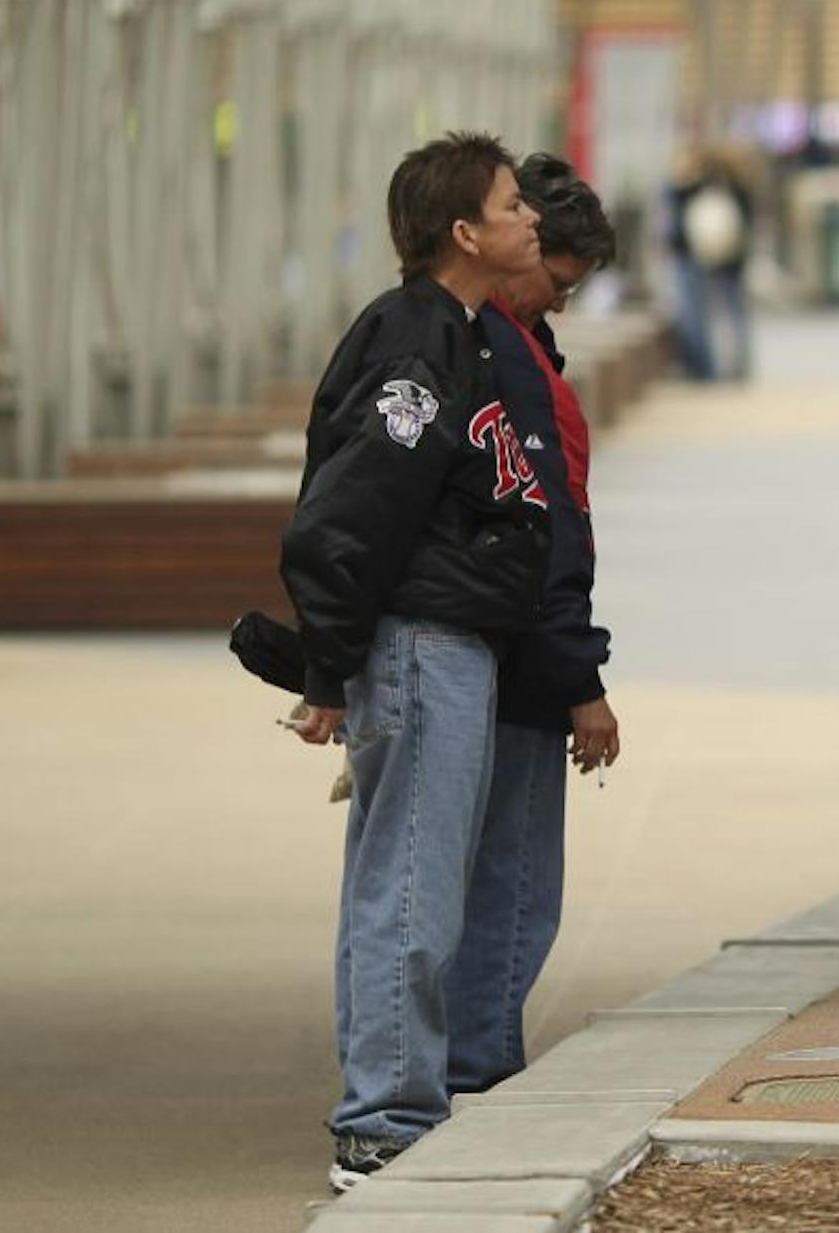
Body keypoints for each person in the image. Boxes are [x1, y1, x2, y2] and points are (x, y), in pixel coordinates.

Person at [279, 132, 552, 1186]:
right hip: (421, 644)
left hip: (446, 643)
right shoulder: (415, 342)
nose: (532, 217)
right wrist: (329, 666)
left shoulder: (458, 334)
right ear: (466, 232)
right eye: (513, 202)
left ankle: (393, 1105)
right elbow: (354, 512)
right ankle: (383, 1124)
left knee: (405, 883)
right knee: (409, 890)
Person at [441, 152, 622, 1100]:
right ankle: (478, 1071)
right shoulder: (505, 356)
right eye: (557, 282)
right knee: (512, 884)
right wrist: (578, 676)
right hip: (517, 659)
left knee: (471, 878)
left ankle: (465, 1058)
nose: (560, 303)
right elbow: (545, 525)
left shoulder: (485, 340)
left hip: (487, 645)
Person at [666, 147, 754, 382]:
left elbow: (675, 223)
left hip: (701, 257)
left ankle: (706, 367)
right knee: (734, 312)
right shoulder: (737, 188)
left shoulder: (691, 188)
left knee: (698, 313)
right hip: (732, 258)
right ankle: (738, 365)